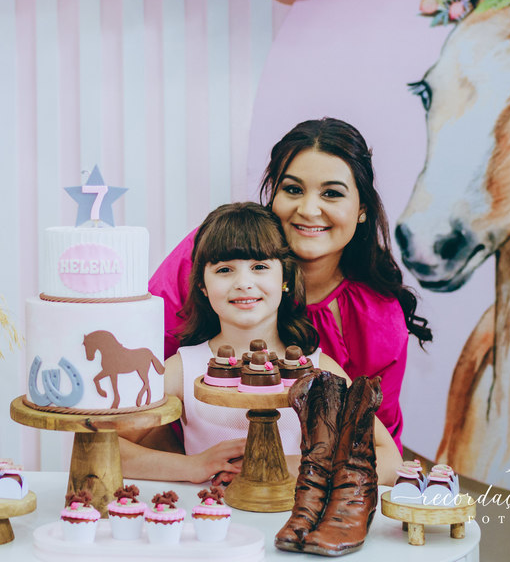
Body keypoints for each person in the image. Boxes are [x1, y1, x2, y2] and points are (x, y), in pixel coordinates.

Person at [149, 118, 431, 450]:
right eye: (293, 189)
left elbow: (376, 448)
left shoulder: (377, 321)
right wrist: (195, 472)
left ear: (361, 209)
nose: (309, 209)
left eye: (332, 193)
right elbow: (142, 398)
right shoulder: (212, 254)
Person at [119, 202, 402, 484]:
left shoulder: (319, 371)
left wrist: (297, 465)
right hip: (211, 522)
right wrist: (192, 466)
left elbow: (389, 458)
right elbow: (110, 448)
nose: (243, 282)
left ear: (285, 278)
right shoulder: (181, 369)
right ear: (202, 286)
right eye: (224, 270)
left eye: (259, 266)